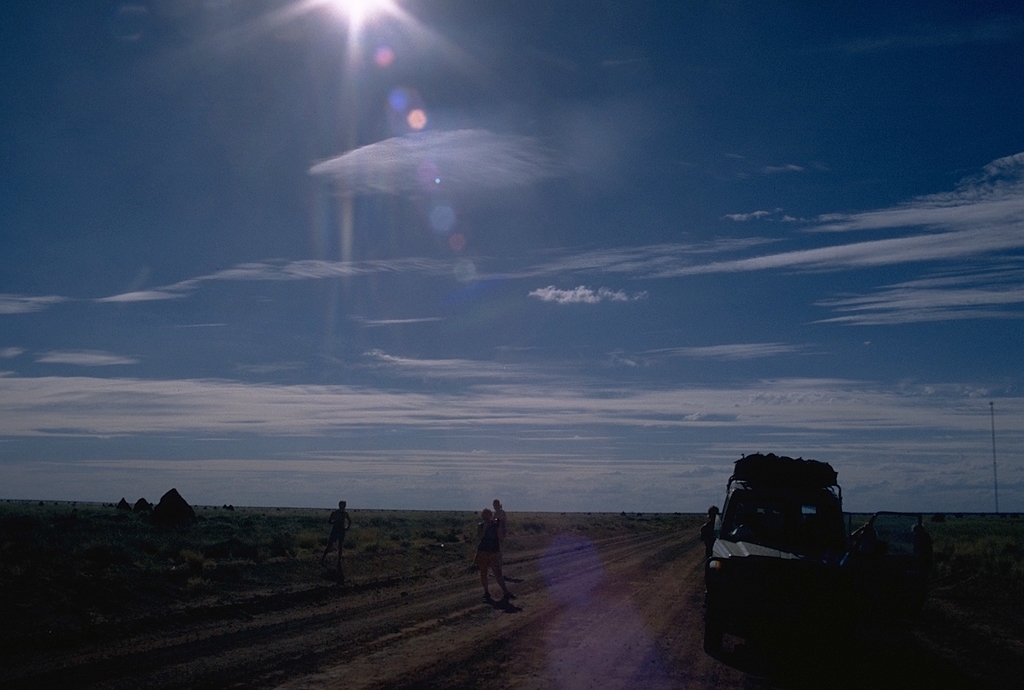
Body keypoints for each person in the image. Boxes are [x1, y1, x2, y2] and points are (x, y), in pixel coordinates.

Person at [475, 508, 512, 601]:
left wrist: (498, 528)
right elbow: (480, 537)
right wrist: (485, 528)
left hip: (491, 551)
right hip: (485, 551)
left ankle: (504, 591)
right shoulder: (481, 525)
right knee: (485, 572)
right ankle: (488, 592)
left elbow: (501, 538)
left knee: (496, 572)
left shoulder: (495, 526)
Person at [321, 500, 352, 581]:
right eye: (343, 505)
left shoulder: (344, 513)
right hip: (336, 530)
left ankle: (339, 559)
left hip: (340, 530)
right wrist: (336, 523)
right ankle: (323, 558)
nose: (343, 506)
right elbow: (329, 521)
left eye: (344, 505)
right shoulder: (335, 513)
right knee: (330, 544)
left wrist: (346, 527)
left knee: (340, 546)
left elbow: (349, 521)